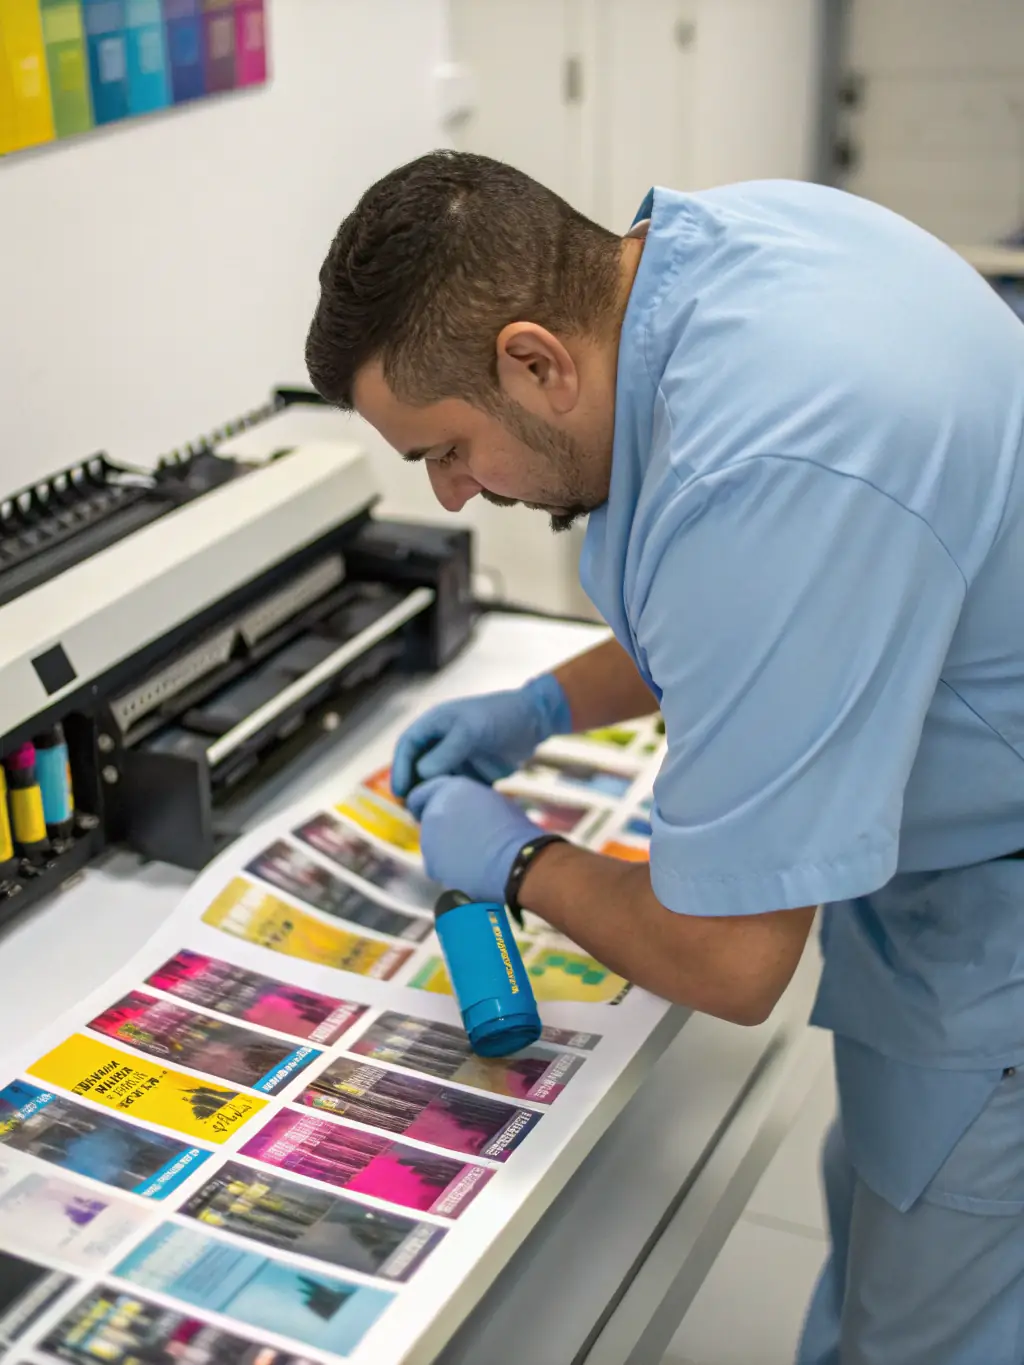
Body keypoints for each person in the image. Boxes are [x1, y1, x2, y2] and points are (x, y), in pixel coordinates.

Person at [304, 150, 1024, 1364]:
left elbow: (732, 957)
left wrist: (519, 863)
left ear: (534, 361)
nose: (455, 493)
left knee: (933, 1324)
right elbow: (746, 617)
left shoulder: (772, 462)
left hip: (995, 931)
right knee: (883, 1248)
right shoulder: (714, 264)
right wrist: (537, 706)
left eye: (447, 447)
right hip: (954, 866)